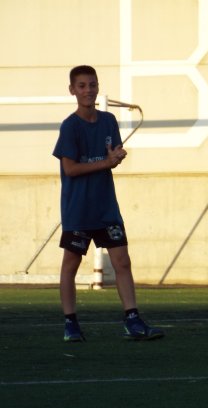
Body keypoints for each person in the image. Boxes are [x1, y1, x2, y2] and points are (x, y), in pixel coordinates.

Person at [53, 65, 164, 342]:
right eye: (81, 86)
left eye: (92, 84)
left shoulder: (108, 121)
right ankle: (70, 323)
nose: (88, 90)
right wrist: (105, 162)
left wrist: (115, 157)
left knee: (122, 261)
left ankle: (133, 320)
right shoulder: (70, 126)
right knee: (71, 263)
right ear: (72, 90)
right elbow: (71, 169)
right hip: (78, 208)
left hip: (106, 207)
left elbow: (109, 158)